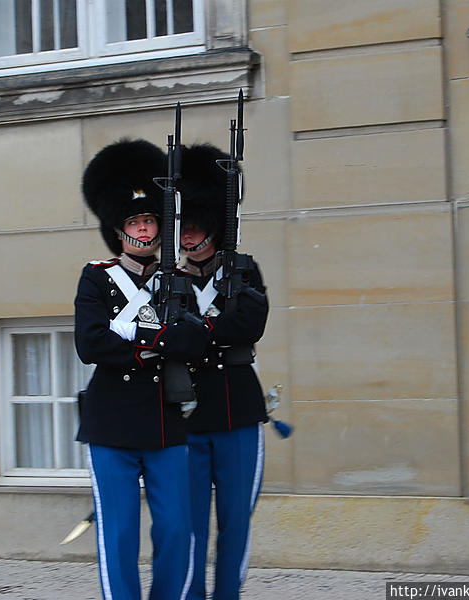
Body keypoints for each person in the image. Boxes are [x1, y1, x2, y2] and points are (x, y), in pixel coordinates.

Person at [75, 138, 210, 600]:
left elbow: (194, 339)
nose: (145, 227)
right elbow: (90, 343)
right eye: (135, 220)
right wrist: (153, 345)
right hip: (111, 422)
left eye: (150, 218)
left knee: (175, 529)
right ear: (120, 228)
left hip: (165, 422)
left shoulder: (176, 281)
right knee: (119, 536)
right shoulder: (96, 276)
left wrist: (149, 340)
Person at [177, 144, 270, 600]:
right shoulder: (164, 280)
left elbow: (252, 323)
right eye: (185, 227)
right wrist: (214, 330)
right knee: (190, 527)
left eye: (196, 227)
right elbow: (168, 335)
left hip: (237, 415)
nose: (189, 236)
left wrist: (200, 330)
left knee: (235, 523)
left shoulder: (243, 270)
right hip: (187, 419)